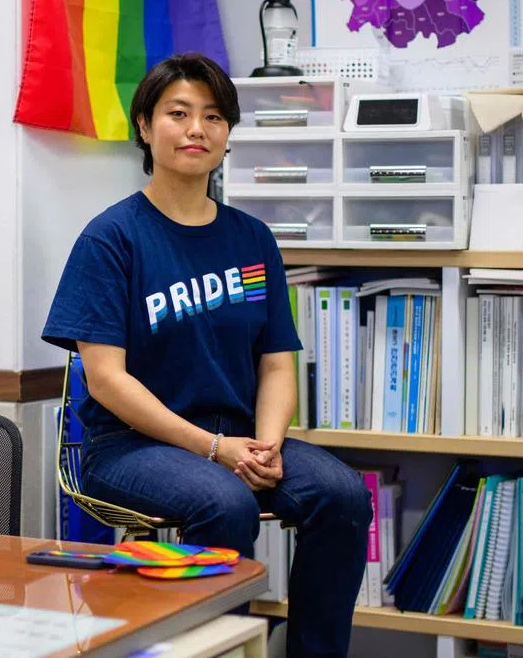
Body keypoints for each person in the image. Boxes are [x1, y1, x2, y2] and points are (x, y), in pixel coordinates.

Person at [42, 53, 371, 658]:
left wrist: (266, 444)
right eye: (179, 113)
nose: (198, 129)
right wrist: (214, 449)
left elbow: (276, 361)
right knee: (224, 503)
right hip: (131, 447)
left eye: (214, 116)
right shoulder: (111, 238)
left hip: (240, 437)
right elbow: (108, 381)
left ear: (227, 135)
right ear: (144, 126)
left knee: (344, 496)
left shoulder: (251, 238)